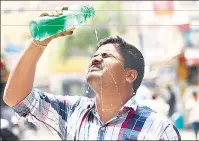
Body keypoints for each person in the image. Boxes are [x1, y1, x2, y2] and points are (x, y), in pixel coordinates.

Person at [3, 7, 181, 140]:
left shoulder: (157, 129)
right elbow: (16, 98)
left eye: (106, 55)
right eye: (94, 55)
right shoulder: (73, 112)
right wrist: (39, 42)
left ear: (130, 75)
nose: (95, 59)